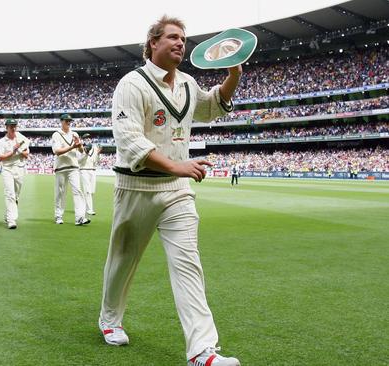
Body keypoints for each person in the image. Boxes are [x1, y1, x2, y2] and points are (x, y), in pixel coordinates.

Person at [98, 16, 242, 366]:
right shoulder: (132, 84)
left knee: (188, 264)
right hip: (136, 188)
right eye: (173, 37)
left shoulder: (189, 83)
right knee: (123, 260)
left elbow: (210, 107)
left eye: (184, 38)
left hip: (177, 191)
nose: (181, 43)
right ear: (152, 44)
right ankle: (109, 320)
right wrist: (177, 165)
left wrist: (233, 76)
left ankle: (202, 351)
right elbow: (129, 140)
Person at [51, 114, 90, 226]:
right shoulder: (56, 134)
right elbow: (57, 151)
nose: (68, 122)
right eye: (66, 120)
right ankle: (58, 216)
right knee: (60, 192)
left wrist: (79, 145)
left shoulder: (74, 134)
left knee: (78, 191)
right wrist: (72, 147)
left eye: (70, 121)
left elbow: (81, 151)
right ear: (61, 121)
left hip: (73, 166)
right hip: (61, 167)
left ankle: (80, 218)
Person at [0, 119, 31, 229]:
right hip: (7, 169)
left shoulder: (21, 138)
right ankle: (12, 220)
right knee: (9, 193)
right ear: (6, 127)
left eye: (15, 126)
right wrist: (13, 151)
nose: (13, 128)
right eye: (11, 126)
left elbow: (26, 154)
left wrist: (18, 150)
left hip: (19, 168)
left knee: (16, 195)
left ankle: (8, 214)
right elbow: (0, 158)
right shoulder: (2, 141)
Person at [77, 133, 101, 216]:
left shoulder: (94, 148)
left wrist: (98, 154)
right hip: (84, 170)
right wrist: (85, 153)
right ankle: (90, 209)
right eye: (86, 138)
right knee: (87, 190)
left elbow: (97, 161)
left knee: (92, 191)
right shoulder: (80, 148)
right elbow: (79, 161)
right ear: (82, 139)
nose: (88, 139)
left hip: (93, 170)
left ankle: (85, 206)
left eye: (89, 138)